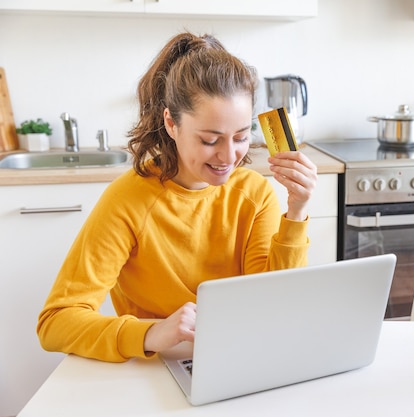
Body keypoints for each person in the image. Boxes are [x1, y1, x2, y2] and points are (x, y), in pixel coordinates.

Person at [37, 32, 317, 363]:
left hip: (238, 360)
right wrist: (153, 333)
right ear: (171, 123)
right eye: (211, 140)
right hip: (155, 367)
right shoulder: (128, 200)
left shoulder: (254, 194)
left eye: (240, 137)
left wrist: (296, 213)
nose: (229, 156)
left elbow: (271, 304)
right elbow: (56, 322)